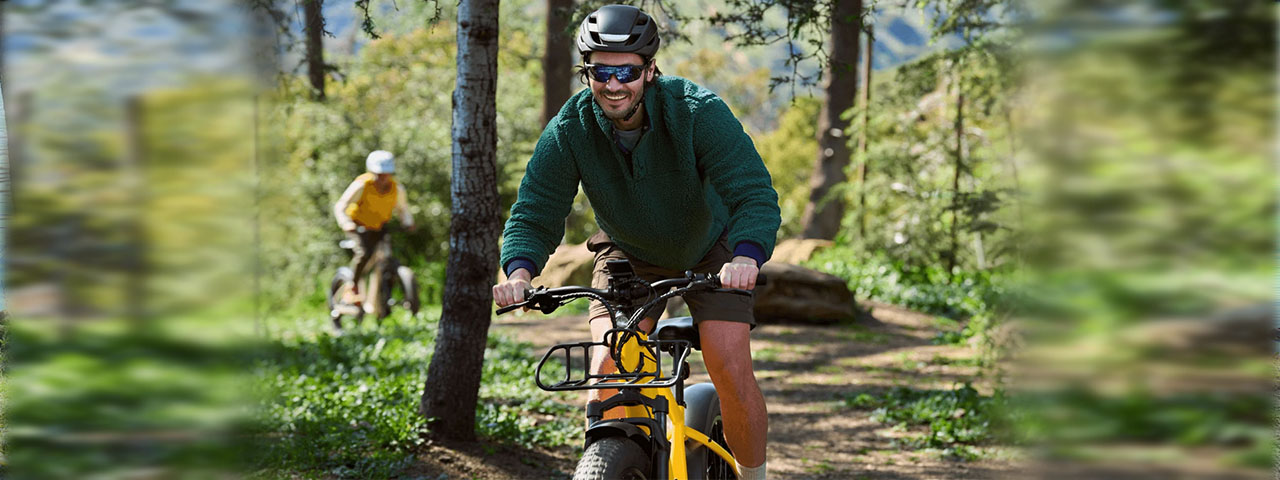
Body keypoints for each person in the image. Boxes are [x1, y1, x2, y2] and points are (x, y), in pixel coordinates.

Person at [491, 5, 780, 479]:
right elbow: (537, 206)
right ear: (588, 72)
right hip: (628, 251)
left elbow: (753, 194)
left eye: (626, 70)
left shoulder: (696, 111)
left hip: (715, 248)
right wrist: (519, 271)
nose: (613, 84)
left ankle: (754, 476)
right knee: (608, 367)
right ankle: (616, 461)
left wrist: (747, 255)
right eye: (600, 71)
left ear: (649, 71)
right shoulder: (572, 127)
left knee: (728, 365)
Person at [333, 150, 415, 313]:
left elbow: (402, 209)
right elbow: (340, 206)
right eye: (379, 174)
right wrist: (346, 223)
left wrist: (408, 223)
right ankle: (352, 287)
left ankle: (381, 300)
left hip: (380, 226)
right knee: (364, 253)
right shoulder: (362, 185)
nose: (383, 177)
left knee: (386, 257)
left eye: (386, 173)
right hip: (358, 225)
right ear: (372, 171)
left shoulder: (396, 188)